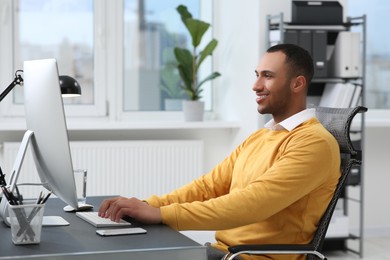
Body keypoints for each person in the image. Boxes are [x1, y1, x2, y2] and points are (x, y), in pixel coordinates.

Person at [98, 43, 341, 260]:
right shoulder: (262, 136)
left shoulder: (313, 143)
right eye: (257, 75)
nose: (256, 86)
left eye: (267, 76)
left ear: (297, 83)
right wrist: (144, 205)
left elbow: (252, 204)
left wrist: (161, 214)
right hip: (223, 252)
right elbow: (207, 188)